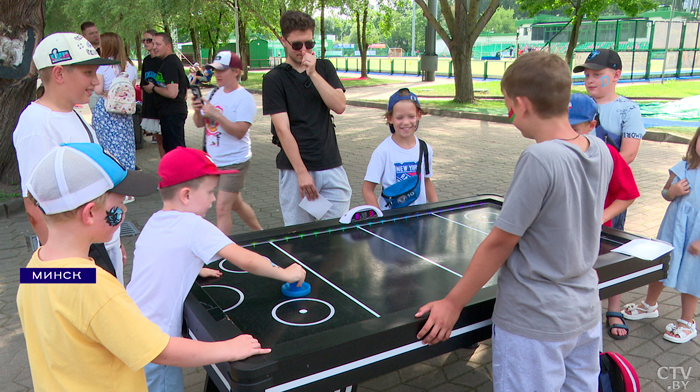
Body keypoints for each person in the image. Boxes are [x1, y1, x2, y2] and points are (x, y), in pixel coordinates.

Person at [415, 52, 613, 392]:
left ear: (521, 104)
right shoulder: (599, 149)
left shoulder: (540, 158)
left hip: (534, 321)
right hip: (583, 310)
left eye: (508, 106)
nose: (510, 117)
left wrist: (453, 302)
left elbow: (501, 242)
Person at [17, 143, 271, 391]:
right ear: (90, 214)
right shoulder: (96, 287)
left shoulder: (34, 269)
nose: (125, 210)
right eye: (117, 208)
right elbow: (159, 350)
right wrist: (229, 348)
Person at [127, 147, 306, 391]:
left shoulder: (155, 220)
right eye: (210, 192)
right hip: (157, 344)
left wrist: (194, 268)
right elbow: (246, 260)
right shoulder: (193, 224)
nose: (214, 199)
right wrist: (287, 273)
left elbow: (158, 258)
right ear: (186, 195)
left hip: (131, 328)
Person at [12, 32, 125, 281]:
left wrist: (113, 238)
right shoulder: (36, 124)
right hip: (79, 254)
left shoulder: (71, 112)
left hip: (98, 243)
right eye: (88, 73)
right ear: (59, 74)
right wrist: (69, 271)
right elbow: (34, 204)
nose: (96, 82)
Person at [574, 48, 645, 338]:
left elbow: (627, 155)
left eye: (597, 75)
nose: (590, 80)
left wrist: (597, 167)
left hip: (611, 193)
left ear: (616, 75)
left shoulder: (628, 110)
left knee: (611, 249)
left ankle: (613, 307)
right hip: (578, 189)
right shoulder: (575, 104)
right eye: (587, 75)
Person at [262, 10, 351, 226]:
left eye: (309, 44)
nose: (304, 50)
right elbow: (282, 130)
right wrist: (302, 173)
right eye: (297, 45)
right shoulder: (274, 79)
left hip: (329, 163)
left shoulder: (324, 68)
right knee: (300, 235)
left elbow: (339, 105)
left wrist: (313, 74)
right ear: (283, 41)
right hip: (296, 170)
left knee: (338, 231)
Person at [623, 127, 700, 344]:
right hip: (673, 229)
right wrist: (672, 192)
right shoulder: (683, 167)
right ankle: (650, 305)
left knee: (692, 275)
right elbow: (666, 194)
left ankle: (687, 321)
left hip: (696, 236)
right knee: (661, 266)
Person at [192, 51, 263, 234]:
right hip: (215, 161)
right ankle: (260, 232)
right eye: (215, 70)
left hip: (235, 161)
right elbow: (200, 124)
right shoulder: (215, 92)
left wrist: (216, 114)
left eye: (222, 70)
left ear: (236, 71)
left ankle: (220, 255)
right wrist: (198, 111)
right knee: (235, 203)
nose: (217, 74)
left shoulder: (244, 98)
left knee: (222, 207)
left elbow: (239, 132)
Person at [363, 88, 437, 210]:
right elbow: (367, 189)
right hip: (391, 222)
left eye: (411, 116)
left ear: (419, 115)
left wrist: (437, 209)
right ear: (390, 118)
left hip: (419, 219)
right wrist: (380, 219)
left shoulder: (425, 149)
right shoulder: (383, 152)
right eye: (399, 117)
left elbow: (426, 180)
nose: (406, 122)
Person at [93, 32, 138, 171]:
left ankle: (109, 173)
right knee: (125, 143)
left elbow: (98, 90)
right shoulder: (130, 66)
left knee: (106, 144)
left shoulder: (102, 66)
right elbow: (133, 88)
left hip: (106, 109)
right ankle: (127, 171)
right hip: (124, 111)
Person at [143, 32, 188, 153]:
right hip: (167, 114)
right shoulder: (166, 62)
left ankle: (181, 171)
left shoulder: (170, 63)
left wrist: (153, 88)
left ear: (168, 46)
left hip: (173, 114)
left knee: (176, 150)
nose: (154, 47)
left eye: (158, 44)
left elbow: (172, 93)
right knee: (169, 148)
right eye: (153, 44)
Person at [140, 29, 165, 157]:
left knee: (166, 139)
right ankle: (164, 167)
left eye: (148, 40)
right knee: (159, 140)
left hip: (162, 104)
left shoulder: (163, 61)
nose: (145, 43)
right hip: (150, 104)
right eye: (143, 40)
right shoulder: (146, 60)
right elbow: (143, 84)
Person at [81, 21, 102, 111]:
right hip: (93, 88)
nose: (95, 35)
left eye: (96, 32)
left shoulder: (105, 49)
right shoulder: (83, 52)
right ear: (85, 36)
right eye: (91, 33)